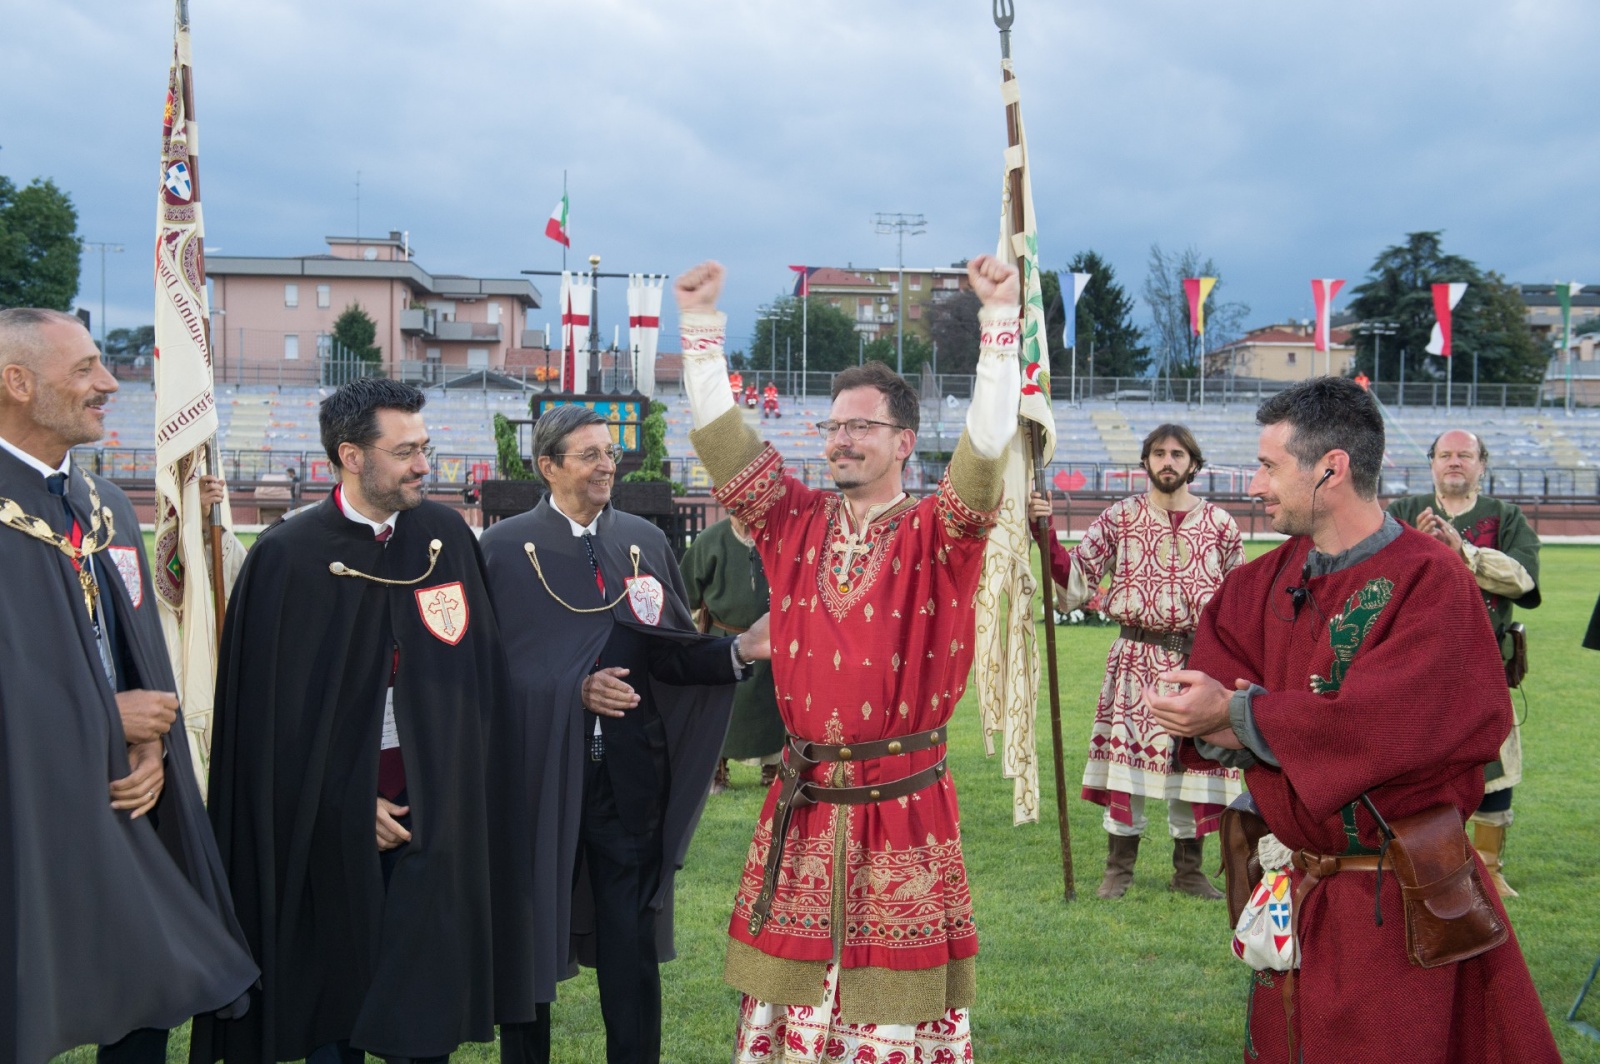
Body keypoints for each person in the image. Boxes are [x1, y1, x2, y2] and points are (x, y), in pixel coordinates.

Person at [1150, 376, 1560, 1063]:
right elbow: (1215, 698)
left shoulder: (1433, 581)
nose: (1255, 485)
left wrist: (1243, 715)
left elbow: (1380, 726)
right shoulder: (1259, 584)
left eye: (1270, 467)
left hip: (1400, 904)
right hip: (1294, 890)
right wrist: (1219, 717)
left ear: (1331, 468)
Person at [674, 256, 1021, 1062]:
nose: (841, 440)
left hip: (901, 807)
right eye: (832, 426)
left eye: (860, 426)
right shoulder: (790, 522)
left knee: (889, 1012)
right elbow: (725, 447)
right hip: (806, 797)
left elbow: (984, 451)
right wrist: (699, 332)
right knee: (788, 1005)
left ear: (903, 440)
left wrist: (998, 329)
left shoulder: (943, 532)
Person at [193, 378, 515, 1064]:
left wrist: (450, 786)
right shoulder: (289, 557)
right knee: (335, 1014)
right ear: (351, 456)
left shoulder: (445, 537)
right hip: (327, 830)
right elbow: (264, 730)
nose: (425, 465)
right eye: (405, 452)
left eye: (425, 447)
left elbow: (477, 681)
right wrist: (344, 801)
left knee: (424, 1014)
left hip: (432, 816)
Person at [0, 308, 257, 1063]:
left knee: (155, 979)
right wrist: (104, 721)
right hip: (21, 810)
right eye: (84, 370)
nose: (108, 383)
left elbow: (136, 652)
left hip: (122, 793)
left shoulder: (106, 509)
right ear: (16, 383)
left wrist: (151, 749)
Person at [482, 403, 764, 1064]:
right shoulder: (499, 551)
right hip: (537, 782)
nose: (607, 464)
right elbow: (484, 678)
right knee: (530, 950)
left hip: (630, 784)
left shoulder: (642, 541)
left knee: (630, 954)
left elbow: (667, 652)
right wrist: (572, 692)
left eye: (610, 452)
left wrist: (739, 651)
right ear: (548, 466)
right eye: (589, 455)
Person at [1027, 423, 1243, 900]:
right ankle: (1117, 869)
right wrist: (1042, 534)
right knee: (1129, 768)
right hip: (1135, 659)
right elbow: (1077, 580)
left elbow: (1241, 600)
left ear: (1193, 463)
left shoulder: (1222, 525)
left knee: (1196, 765)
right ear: (1145, 462)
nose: (1169, 462)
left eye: (1178, 454)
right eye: (1159, 453)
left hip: (1199, 663)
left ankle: (1189, 870)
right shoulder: (1118, 518)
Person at [1387, 430, 1539, 897]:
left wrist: (1466, 553)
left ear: (1481, 464)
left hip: (1484, 664)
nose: (1455, 462)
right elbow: (1376, 573)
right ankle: (1421, 860)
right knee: (1413, 761)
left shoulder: (1505, 517)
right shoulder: (1400, 513)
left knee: (1493, 758)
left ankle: (1490, 868)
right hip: (1413, 665)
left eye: (1465, 455)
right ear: (1431, 462)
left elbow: (1524, 580)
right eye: (1446, 455)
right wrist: (1422, 546)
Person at [681, 514, 785, 793]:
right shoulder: (709, 540)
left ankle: (773, 767)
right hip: (721, 640)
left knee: (771, 705)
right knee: (719, 708)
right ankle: (716, 770)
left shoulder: (777, 538)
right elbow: (686, 591)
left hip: (769, 639)